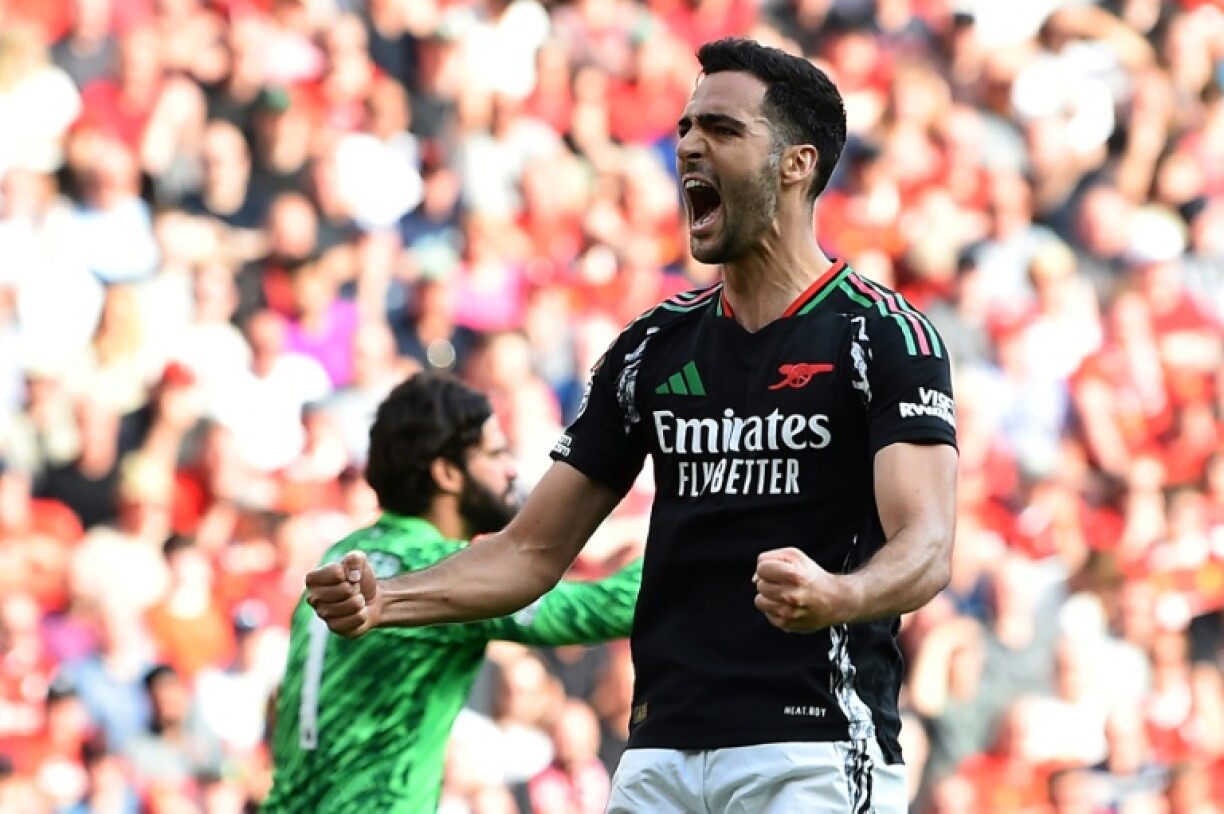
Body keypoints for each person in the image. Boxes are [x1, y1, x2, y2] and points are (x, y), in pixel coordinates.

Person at [306, 37, 958, 813]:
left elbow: (927, 546)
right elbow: (528, 551)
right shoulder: (651, 346)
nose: (688, 146)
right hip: (658, 754)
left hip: (812, 746)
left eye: (721, 129)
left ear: (796, 164)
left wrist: (840, 595)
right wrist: (387, 600)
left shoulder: (883, 336)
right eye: (685, 127)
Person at [262, 372, 641, 813]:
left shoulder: (341, 552)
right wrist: (689, 529)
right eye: (495, 454)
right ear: (446, 473)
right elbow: (610, 609)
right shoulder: (443, 571)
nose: (511, 469)